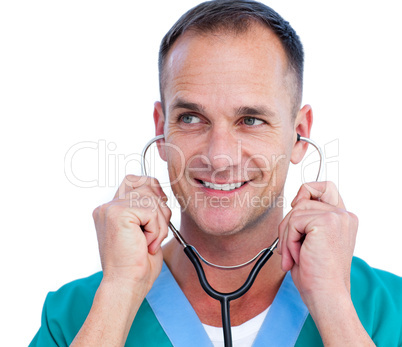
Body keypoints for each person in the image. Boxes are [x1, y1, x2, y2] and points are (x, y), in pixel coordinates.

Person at [30, 0, 402, 346]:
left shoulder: (387, 309)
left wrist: (334, 305)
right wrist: (118, 295)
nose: (219, 156)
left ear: (299, 134)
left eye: (251, 120)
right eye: (191, 118)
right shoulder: (75, 315)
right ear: (161, 128)